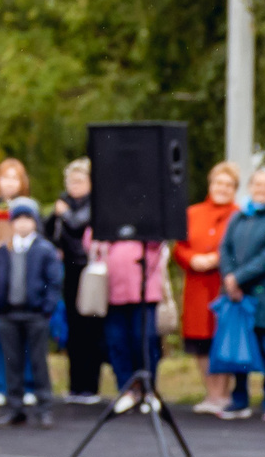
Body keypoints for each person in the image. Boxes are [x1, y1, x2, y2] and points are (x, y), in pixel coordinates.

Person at [217, 171, 265, 420]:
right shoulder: (239, 217)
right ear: (250, 186)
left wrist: (239, 277)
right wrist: (230, 277)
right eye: (257, 184)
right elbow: (225, 248)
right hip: (237, 295)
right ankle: (240, 400)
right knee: (239, 348)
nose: (261, 188)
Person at [92, 197, 171, 401]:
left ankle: (148, 390)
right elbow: (90, 242)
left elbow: (159, 242)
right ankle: (126, 389)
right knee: (117, 342)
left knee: (144, 341)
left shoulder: (147, 219)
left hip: (144, 295)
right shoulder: (108, 221)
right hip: (112, 295)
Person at [0, 201, 61, 423]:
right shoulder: (4, 250)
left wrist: (46, 308)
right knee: (12, 362)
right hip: (8, 314)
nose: (22, 224)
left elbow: (54, 281)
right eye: (18, 219)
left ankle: (44, 408)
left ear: (35, 222)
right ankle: (15, 408)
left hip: (35, 314)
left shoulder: (44, 249)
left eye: (27, 219)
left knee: (39, 361)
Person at [179, 162, 240, 416]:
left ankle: (223, 394)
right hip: (197, 285)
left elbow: (241, 247)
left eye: (228, 185)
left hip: (223, 284)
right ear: (210, 184)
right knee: (200, 340)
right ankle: (211, 393)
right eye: (218, 183)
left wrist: (217, 259)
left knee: (222, 339)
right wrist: (192, 258)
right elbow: (179, 246)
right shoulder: (192, 213)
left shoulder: (238, 215)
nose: (222, 188)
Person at [53, 158, 104, 402]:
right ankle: (75, 385)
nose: (74, 186)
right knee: (72, 327)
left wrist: (64, 213)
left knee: (90, 326)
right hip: (70, 270)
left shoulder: (95, 203)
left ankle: (90, 386)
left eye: (79, 181)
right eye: (71, 181)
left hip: (89, 269)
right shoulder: (63, 202)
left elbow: (76, 224)